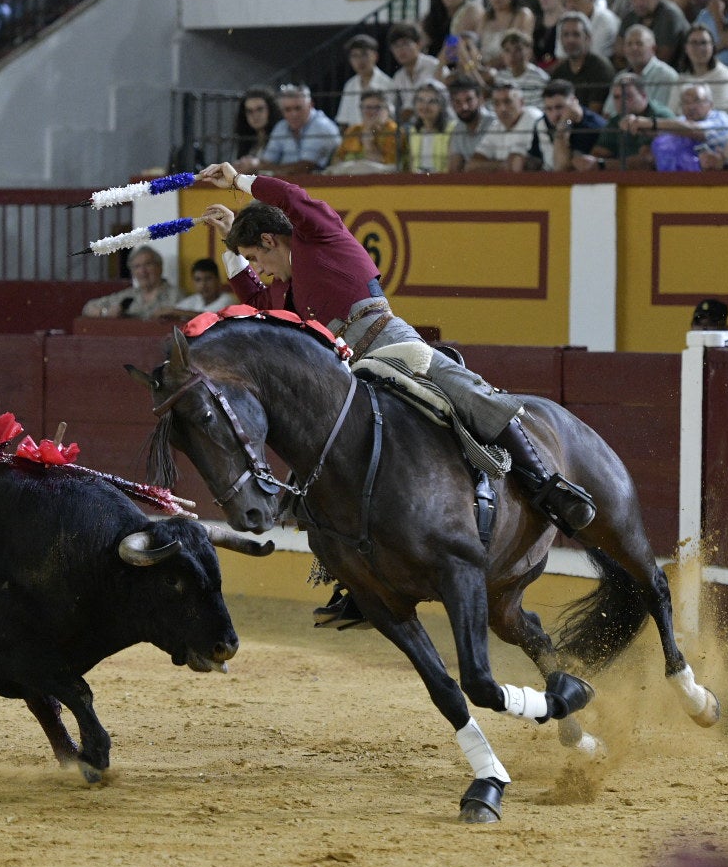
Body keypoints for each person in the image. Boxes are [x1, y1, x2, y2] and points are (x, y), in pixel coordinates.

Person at [193, 161, 599, 628]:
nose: (259, 271)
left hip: (392, 344)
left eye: (257, 259)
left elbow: (292, 198)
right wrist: (232, 255)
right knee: (328, 461)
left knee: (466, 393)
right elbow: (259, 308)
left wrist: (241, 181)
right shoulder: (287, 289)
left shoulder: (318, 237)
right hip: (348, 374)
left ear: (270, 240)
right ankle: (362, 574)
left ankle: (549, 486)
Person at [244, 83, 340, 176]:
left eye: (298, 108)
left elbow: (304, 168)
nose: (293, 114)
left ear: (310, 105)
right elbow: (266, 162)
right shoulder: (281, 126)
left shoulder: (321, 126)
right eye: (287, 109)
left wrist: (260, 167)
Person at [588, 71, 666, 169]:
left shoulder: (658, 115)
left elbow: (646, 161)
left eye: (628, 96)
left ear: (643, 96)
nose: (622, 102)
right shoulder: (616, 119)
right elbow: (599, 153)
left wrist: (603, 164)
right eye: (617, 97)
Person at [465, 78, 545, 171]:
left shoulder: (533, 118)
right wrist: (502, 165)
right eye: (496, 103)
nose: (502, 108)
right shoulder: (497, 125)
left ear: (521, 102)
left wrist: (490, 165)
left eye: (507, 101)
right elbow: (471, 165)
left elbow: (516, 165)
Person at [81, 245, 181, 319]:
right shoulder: (128, 295)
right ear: (132, 272)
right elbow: (88, 308)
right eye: (137, 267)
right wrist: (105, 313)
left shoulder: (175, 294)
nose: (142, 271)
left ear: (159, 267)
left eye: (148, 264)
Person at [651, 80, 728, 168]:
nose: (691, 107)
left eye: (697, 101)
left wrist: (651, 124)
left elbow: (695, 131)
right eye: (686, 102)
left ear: (710, 104)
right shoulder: (680, 120)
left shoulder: (722, 119)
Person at [325, 89, 400, 174]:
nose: (371, 112)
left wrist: (368, 143)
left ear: (388, 110)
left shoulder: (395, 131)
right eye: (367, 108)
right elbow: (337, 161)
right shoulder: (353, 130)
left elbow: (388, 169)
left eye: (377, 108)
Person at [332, 33, 394, 128]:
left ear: (375, 56)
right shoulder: (350, 85)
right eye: (355, 56)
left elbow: (391, 119)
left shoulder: (388, 84)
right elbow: (343, 121)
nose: (360, 60)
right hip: (355, 138)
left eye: (364, 55)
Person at [155, 257, 236, 323]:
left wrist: (176, 312)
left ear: (218, 280)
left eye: (208, 279)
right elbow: (171, 312)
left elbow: (213, 318)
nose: (203, 285)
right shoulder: (194, 299)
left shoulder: (228, 300)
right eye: (198, 280)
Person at [400, 78, 455, 172]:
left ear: (442, 106)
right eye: (420, 100)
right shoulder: (414, 130)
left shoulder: (452, 129)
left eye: (432, 101)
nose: (425, 106)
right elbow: (411, 164)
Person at [444, 75, 497, 171]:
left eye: (469, 100)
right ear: (451, 104)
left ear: (480, 99)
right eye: (457, 102)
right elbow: (454, 168)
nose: (464, 107)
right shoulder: (458, 129)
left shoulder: (495, 124)